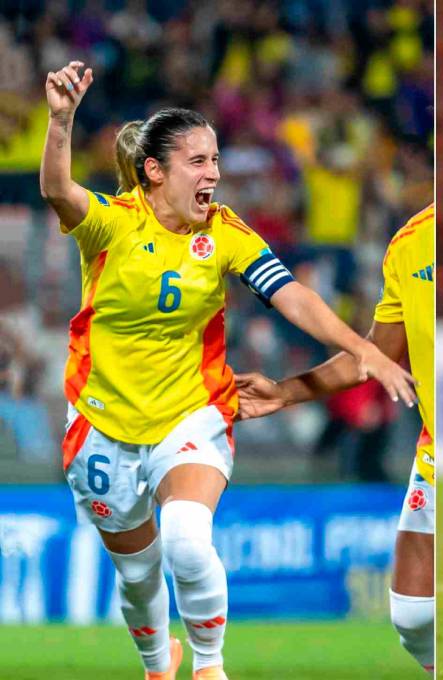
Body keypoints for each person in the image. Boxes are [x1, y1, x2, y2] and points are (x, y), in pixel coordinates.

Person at [40, 60, 416, 680]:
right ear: (155, 172)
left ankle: (210, 668)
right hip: (102, 424)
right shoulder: (112, 224)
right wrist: (61, 119)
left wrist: (364, 349)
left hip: (193, 410)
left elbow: (290, 294)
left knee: (188, 540)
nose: (214, 173)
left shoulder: (225, 232)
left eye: (216, 159)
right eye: (198, 162)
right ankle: (159, 664)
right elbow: (57, 190)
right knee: (137, 574)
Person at [236, 203, 435, 675]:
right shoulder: (409, 243)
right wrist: (283, 393)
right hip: (434, 451)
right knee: (411, 616)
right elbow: (374, 354)